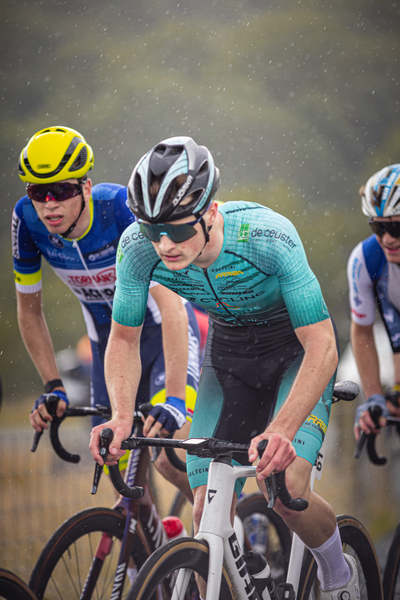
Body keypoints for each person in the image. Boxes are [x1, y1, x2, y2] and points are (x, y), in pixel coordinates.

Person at [89, 136, 360, 599]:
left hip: (295, 350)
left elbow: (321, 345)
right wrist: (118, 415)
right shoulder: (136, 246)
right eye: (153, 231)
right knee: (206, 514)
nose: (164, 245)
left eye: (176, 229)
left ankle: (340, 576)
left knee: (286, 491)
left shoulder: (267, 235)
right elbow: (124, 337)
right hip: (230, 355)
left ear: (210, 211)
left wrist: (281, 427)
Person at [12, 126, 201, 498]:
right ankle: (154, 554)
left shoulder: (117, 208)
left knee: (168, 457)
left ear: (85, 186)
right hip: (109, 345)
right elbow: (29, 312)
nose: (49, 204)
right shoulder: (27, 221)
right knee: (117, 469)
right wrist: (53, 385)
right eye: (38, 192)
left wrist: (176, 398)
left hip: (164, 334)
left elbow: (172, 303)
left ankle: (235, 529)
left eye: (62, 190)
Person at [348, 164, 400, 440]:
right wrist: (375, 398)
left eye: (396, 227)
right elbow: (362, 330)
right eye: (378, 227)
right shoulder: (366, 259)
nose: (388, 238)